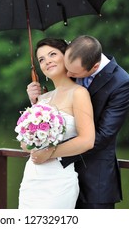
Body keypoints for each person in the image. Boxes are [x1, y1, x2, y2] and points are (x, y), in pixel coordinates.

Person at [28, 35, 129, 209]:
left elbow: (103, 135)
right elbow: (60, 109)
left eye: (74, 74)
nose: (69, 74)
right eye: (42, 59)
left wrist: (53, 154)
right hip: (53, 181)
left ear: (93, 67)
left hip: (94, 180)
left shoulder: (121, 84)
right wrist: (37, 102)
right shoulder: (77, 59)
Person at [18, 37, 95, 209]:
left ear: (66, 57)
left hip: (58, 181)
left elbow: (87, 140)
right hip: (32, 178)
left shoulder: (79, 93)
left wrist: (49, 152)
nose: (47, 61)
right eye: (41, 59)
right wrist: (31, 145)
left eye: (53, 54)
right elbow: (25, 144)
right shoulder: (42, 99)